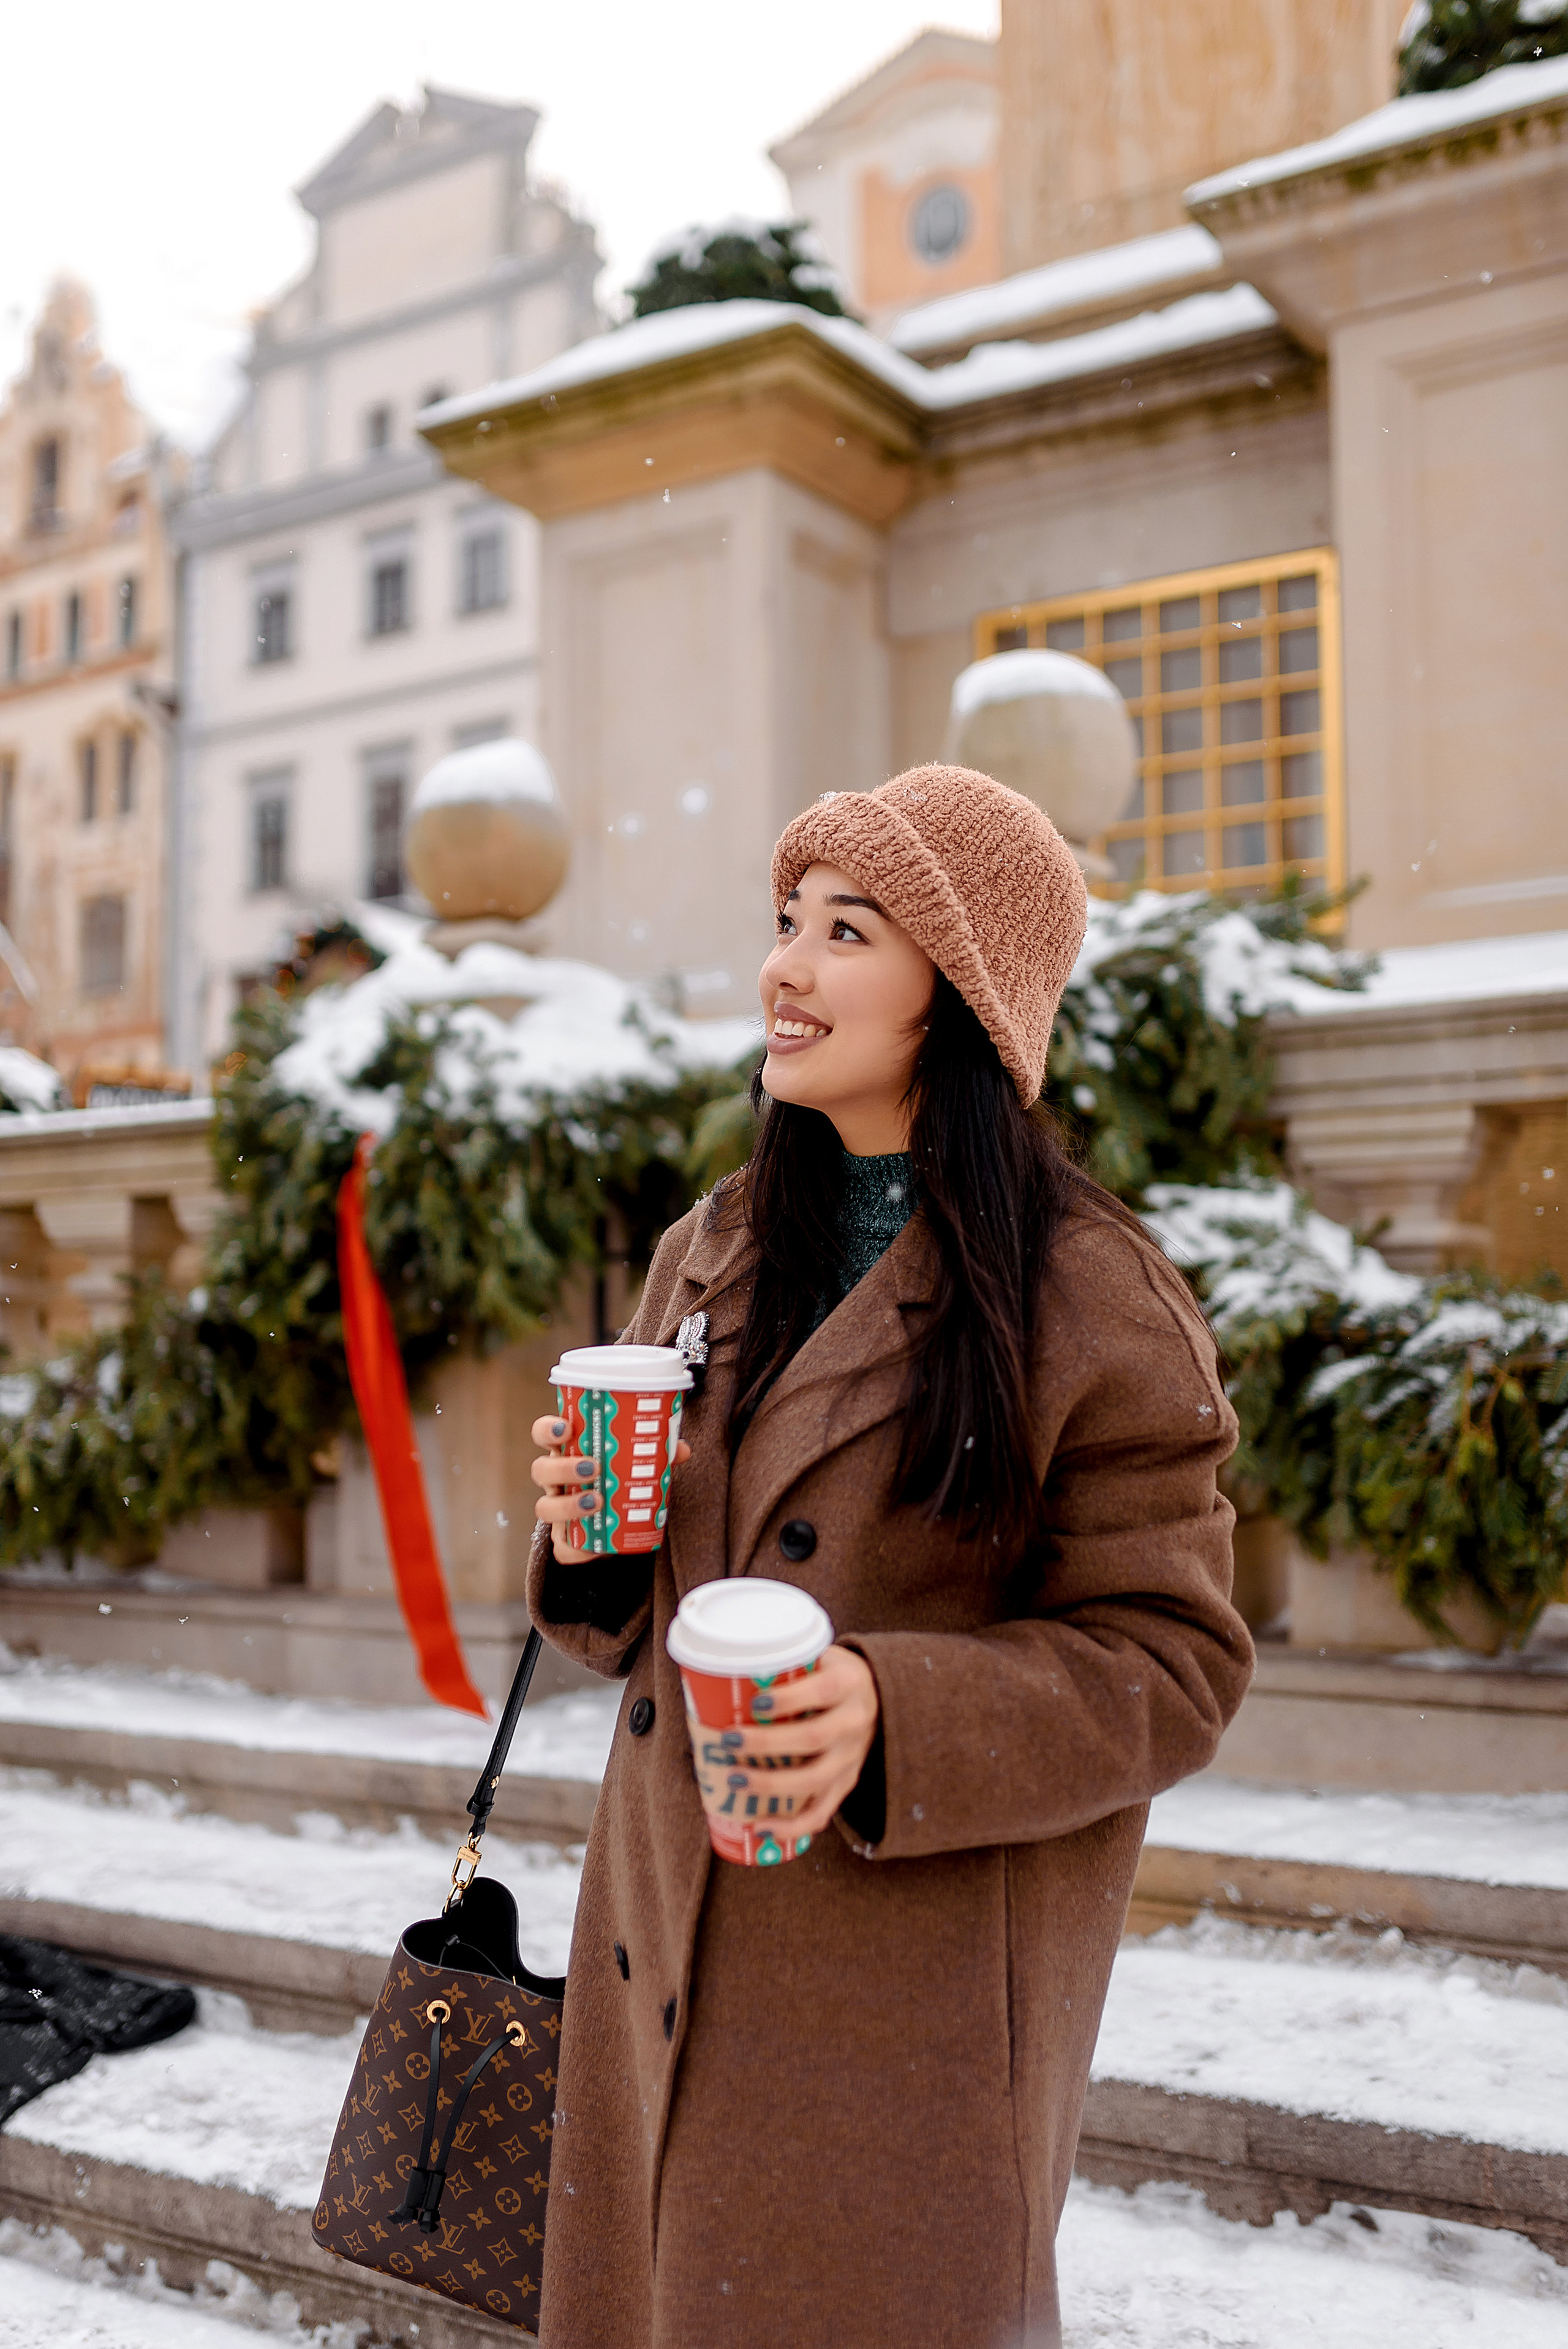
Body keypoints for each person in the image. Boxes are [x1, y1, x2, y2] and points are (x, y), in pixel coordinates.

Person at [528, 764, 1252, 2349]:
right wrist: (591, 1547)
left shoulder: (1093, 1295)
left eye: (847, 930)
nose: (785, 967)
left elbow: (1177, 1661)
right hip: (658, 1954)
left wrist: (889, 1709)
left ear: (968, 987)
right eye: (786, 922)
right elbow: (628, 1626)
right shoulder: (713, 1247)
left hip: (899, 2005)